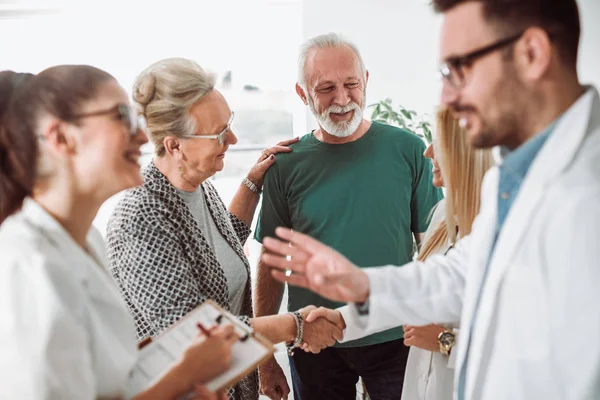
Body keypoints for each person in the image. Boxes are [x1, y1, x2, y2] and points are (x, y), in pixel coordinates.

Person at [259, 0, 600, 399]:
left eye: (458, 69)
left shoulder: (585, 186)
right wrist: (360, 284)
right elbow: (457, 276)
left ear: (532, 54)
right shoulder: (509, 178)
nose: (446, 95)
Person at [106, 58, 343, 400]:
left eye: (229, 123)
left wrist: (252, 182)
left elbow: (222, 243)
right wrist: (297, 325)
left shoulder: (197, 186)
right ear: (175, 146)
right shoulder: (141, 216)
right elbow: (192, 332)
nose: (232, 138)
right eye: (219, 133)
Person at [0, 67, 234, 399]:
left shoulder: (87, 241)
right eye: (121, 116)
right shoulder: (27, 268)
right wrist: (182, 377)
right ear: (61, 138)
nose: (142, 136)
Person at [254, 33, 443, 400]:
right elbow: (271, 262)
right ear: (302, 94)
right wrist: (265, 357)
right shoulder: (285, 164)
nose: (341, 99)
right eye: (325, 88)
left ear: (366, 81)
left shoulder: (408, 150)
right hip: (312, 340)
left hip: (396, 336)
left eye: (351, 84)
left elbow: (433, 246)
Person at [310, 107, 492, 400]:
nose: (428, 153)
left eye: (439, 143)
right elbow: (412, 294)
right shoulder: (443, 214)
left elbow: (522, 343)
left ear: (466, 150)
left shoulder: (504, 232)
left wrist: (447, 342)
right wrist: (340, 319)